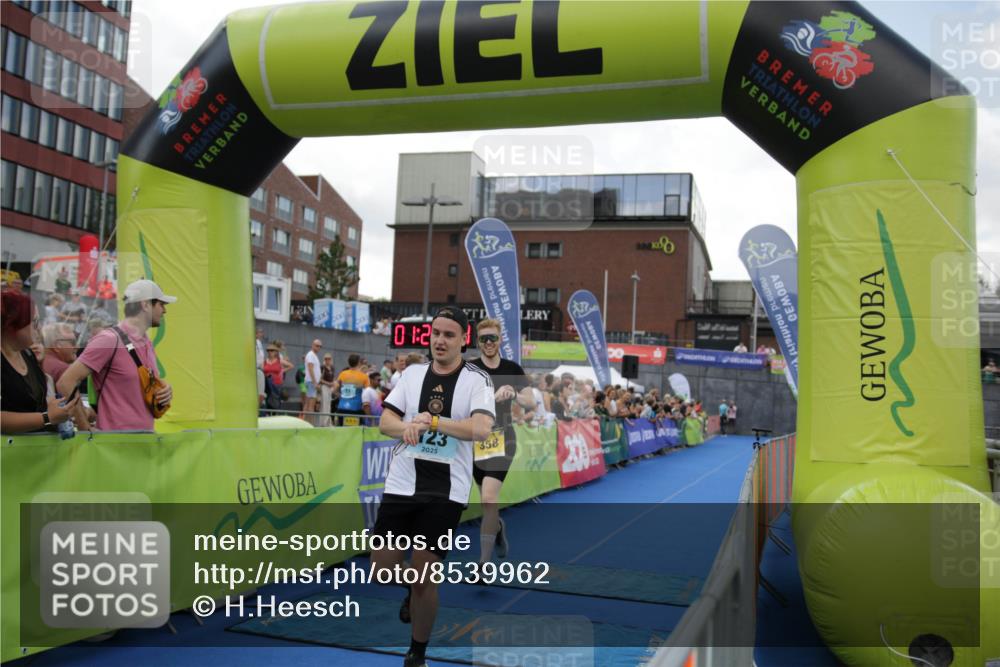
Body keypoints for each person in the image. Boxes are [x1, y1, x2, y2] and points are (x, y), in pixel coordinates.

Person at [372, 307, 495, 667]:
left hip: (446, 491)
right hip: (401, 482)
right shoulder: (411, 374)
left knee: (427, 576)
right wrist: (408, 427)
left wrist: (435, 422)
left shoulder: (477, 381)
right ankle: (414, 590)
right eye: (435, 333)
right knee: (381, 570)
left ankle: (417, 653)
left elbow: (481, 429)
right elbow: (385, 421)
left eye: (448, 334)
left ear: (463, 340)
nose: (440, 340)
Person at [57, 279, 175, 432]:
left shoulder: (146, 342)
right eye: (161, 304)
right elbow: (65, 382)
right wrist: (84, 427)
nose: (164, 310)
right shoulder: (109, 340)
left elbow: (136, 384)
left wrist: (165, 389)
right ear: (145, 305)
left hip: (144, 443)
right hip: (113, 446)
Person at [468, 318, 534, 565]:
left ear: (500, 340)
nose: (488, 343)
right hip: (475, 440)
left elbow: (531, 402)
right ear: (478, 341)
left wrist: (514, 394)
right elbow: (462, 406)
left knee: (488, 498)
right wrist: (490, 397)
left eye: (492, 338)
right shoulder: (469, 370)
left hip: (502, 439)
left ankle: (484, 564)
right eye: (483, 338)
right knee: (487, 504)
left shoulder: (512, 368)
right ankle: (497, 527)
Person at [1, 290, 81, 433]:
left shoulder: (27, 354)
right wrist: (47, 417)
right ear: (12, 326)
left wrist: (55, 409)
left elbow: (32, 403)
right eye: (34, 322)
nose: (39, 327)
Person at [336, 353, 370, 425]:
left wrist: (341, 396)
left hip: (342, 408)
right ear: (358, 363)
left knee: (342, 432)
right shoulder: (364, 377)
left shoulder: (342, 374)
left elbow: (334, 390)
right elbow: (368, 394)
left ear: (348, 362)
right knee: (355, 433)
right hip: (356, 409)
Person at [303, 339, 322, 424]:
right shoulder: (311, 355)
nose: (318, 348)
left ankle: (305, 423)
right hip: (311, 382)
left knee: (308, 405)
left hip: (311, 382)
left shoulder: (313, 355)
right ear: (312, 345)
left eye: (320, 346)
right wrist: (315, 383)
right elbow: (310, 368)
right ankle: (310, 424)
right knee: (311, 406)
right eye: (317, 345)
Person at [318, 353, 337, 427]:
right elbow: (320, 379)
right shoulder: (322, 367)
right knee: (324, 406)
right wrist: (328, 383)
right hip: (324, 387)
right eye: (326, 359)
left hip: (330, 388)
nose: (327, 360)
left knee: (329, 405)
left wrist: (332, 383)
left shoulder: (332, 368)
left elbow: (333, 377)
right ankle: (323, 423)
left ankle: (328, 422)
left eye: (329, 359)